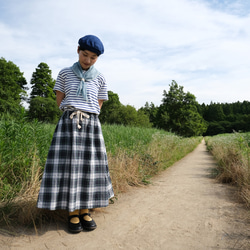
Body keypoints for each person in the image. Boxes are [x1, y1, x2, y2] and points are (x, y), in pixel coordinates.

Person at [37, 35, 114, 233]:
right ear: (78, 50)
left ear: (98, 58)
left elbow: (98, 105)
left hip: (91, 126)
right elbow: (60, 101)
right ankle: (72, 213)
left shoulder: (101, 78)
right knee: (69, 167)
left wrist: (86, 116)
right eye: (85, 54)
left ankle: (85, 210)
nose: (88, 60)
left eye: (93, 57)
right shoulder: (64, 73)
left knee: (89, 168)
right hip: (69, 125)